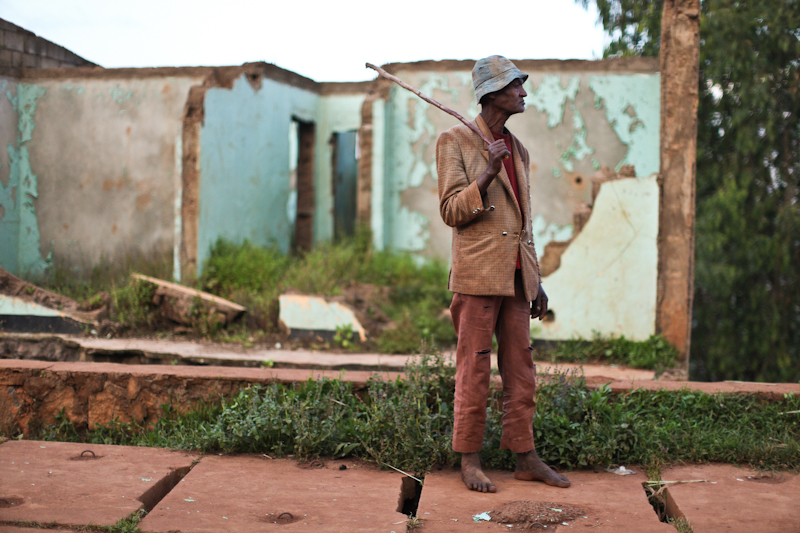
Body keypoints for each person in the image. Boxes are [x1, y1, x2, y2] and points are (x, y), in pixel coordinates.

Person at [436, 55, 570, 493]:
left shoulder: (520, 148)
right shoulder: (454, 140)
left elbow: (523, 224)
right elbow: (451, 211)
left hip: (515, 279)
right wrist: (489, 172)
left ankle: (525, 456)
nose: (523, 93)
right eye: (516, 86)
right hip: (477, 278)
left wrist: (536, 280)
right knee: (473, 368)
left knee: (522, 369)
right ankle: (469, 459)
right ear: (492, 94)